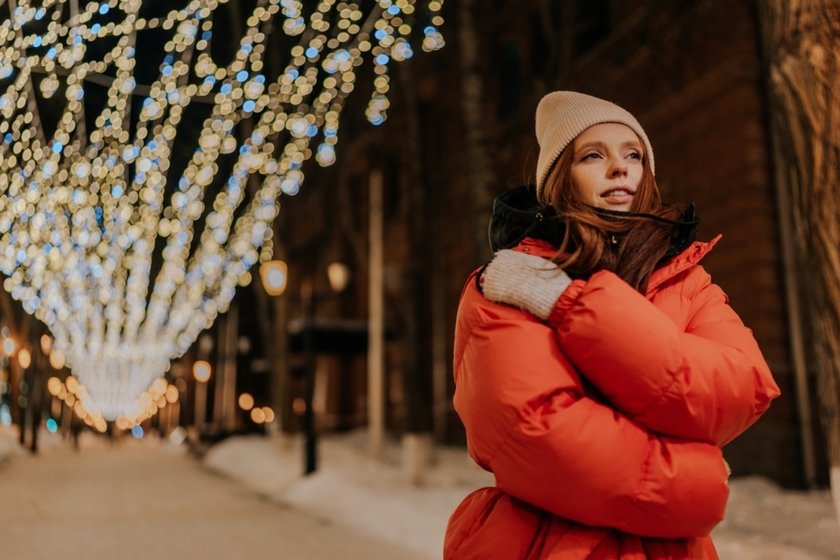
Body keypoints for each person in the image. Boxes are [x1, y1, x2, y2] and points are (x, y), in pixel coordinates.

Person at [443, 91, 780, 559]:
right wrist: (693, 482)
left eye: (633, 155)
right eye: (593, 155)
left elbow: (740, 387)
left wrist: (572, 306)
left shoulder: (686, 279)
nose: (620, 167)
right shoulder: (511, 279)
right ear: (559, 179)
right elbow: (541, 436)